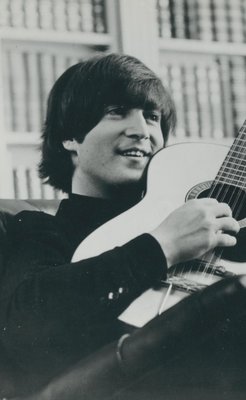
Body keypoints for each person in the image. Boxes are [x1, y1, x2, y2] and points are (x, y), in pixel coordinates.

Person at [1, 53, 243, 399]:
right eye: (117, 112)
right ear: (70, 136)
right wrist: (163, 246)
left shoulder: (201, 225)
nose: (142, 131)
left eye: (152, 117)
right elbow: (26, 327)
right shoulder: (39, 229)